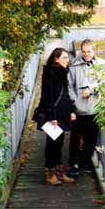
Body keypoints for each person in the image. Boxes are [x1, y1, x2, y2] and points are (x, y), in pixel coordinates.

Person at [39, 47, 76, 185]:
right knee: (52, 144)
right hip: (54, 114)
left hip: (63, 112)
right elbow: (48, 96)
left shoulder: (63, 71)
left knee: (59, 143)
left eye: (68, 57)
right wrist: (52, 117)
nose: (67, 60)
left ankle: (59, 172)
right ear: (56, 59)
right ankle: (50, 173)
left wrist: (71, 110)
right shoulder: (50, 72)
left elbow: (65, 94)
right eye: (64, 57)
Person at [68, 39, 104, 176]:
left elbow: (104, 83)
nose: (86, 54)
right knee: (75, 140)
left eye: (89, 51)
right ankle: (74, 164)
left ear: (94, 51)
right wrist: (74, 102)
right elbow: (69, 86)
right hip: (78, 109)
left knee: (91, 140)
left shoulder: (102, 65)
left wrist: (92, 89)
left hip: (94, 108)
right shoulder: (73, 65)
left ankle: (85, 162)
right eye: (83, 51)